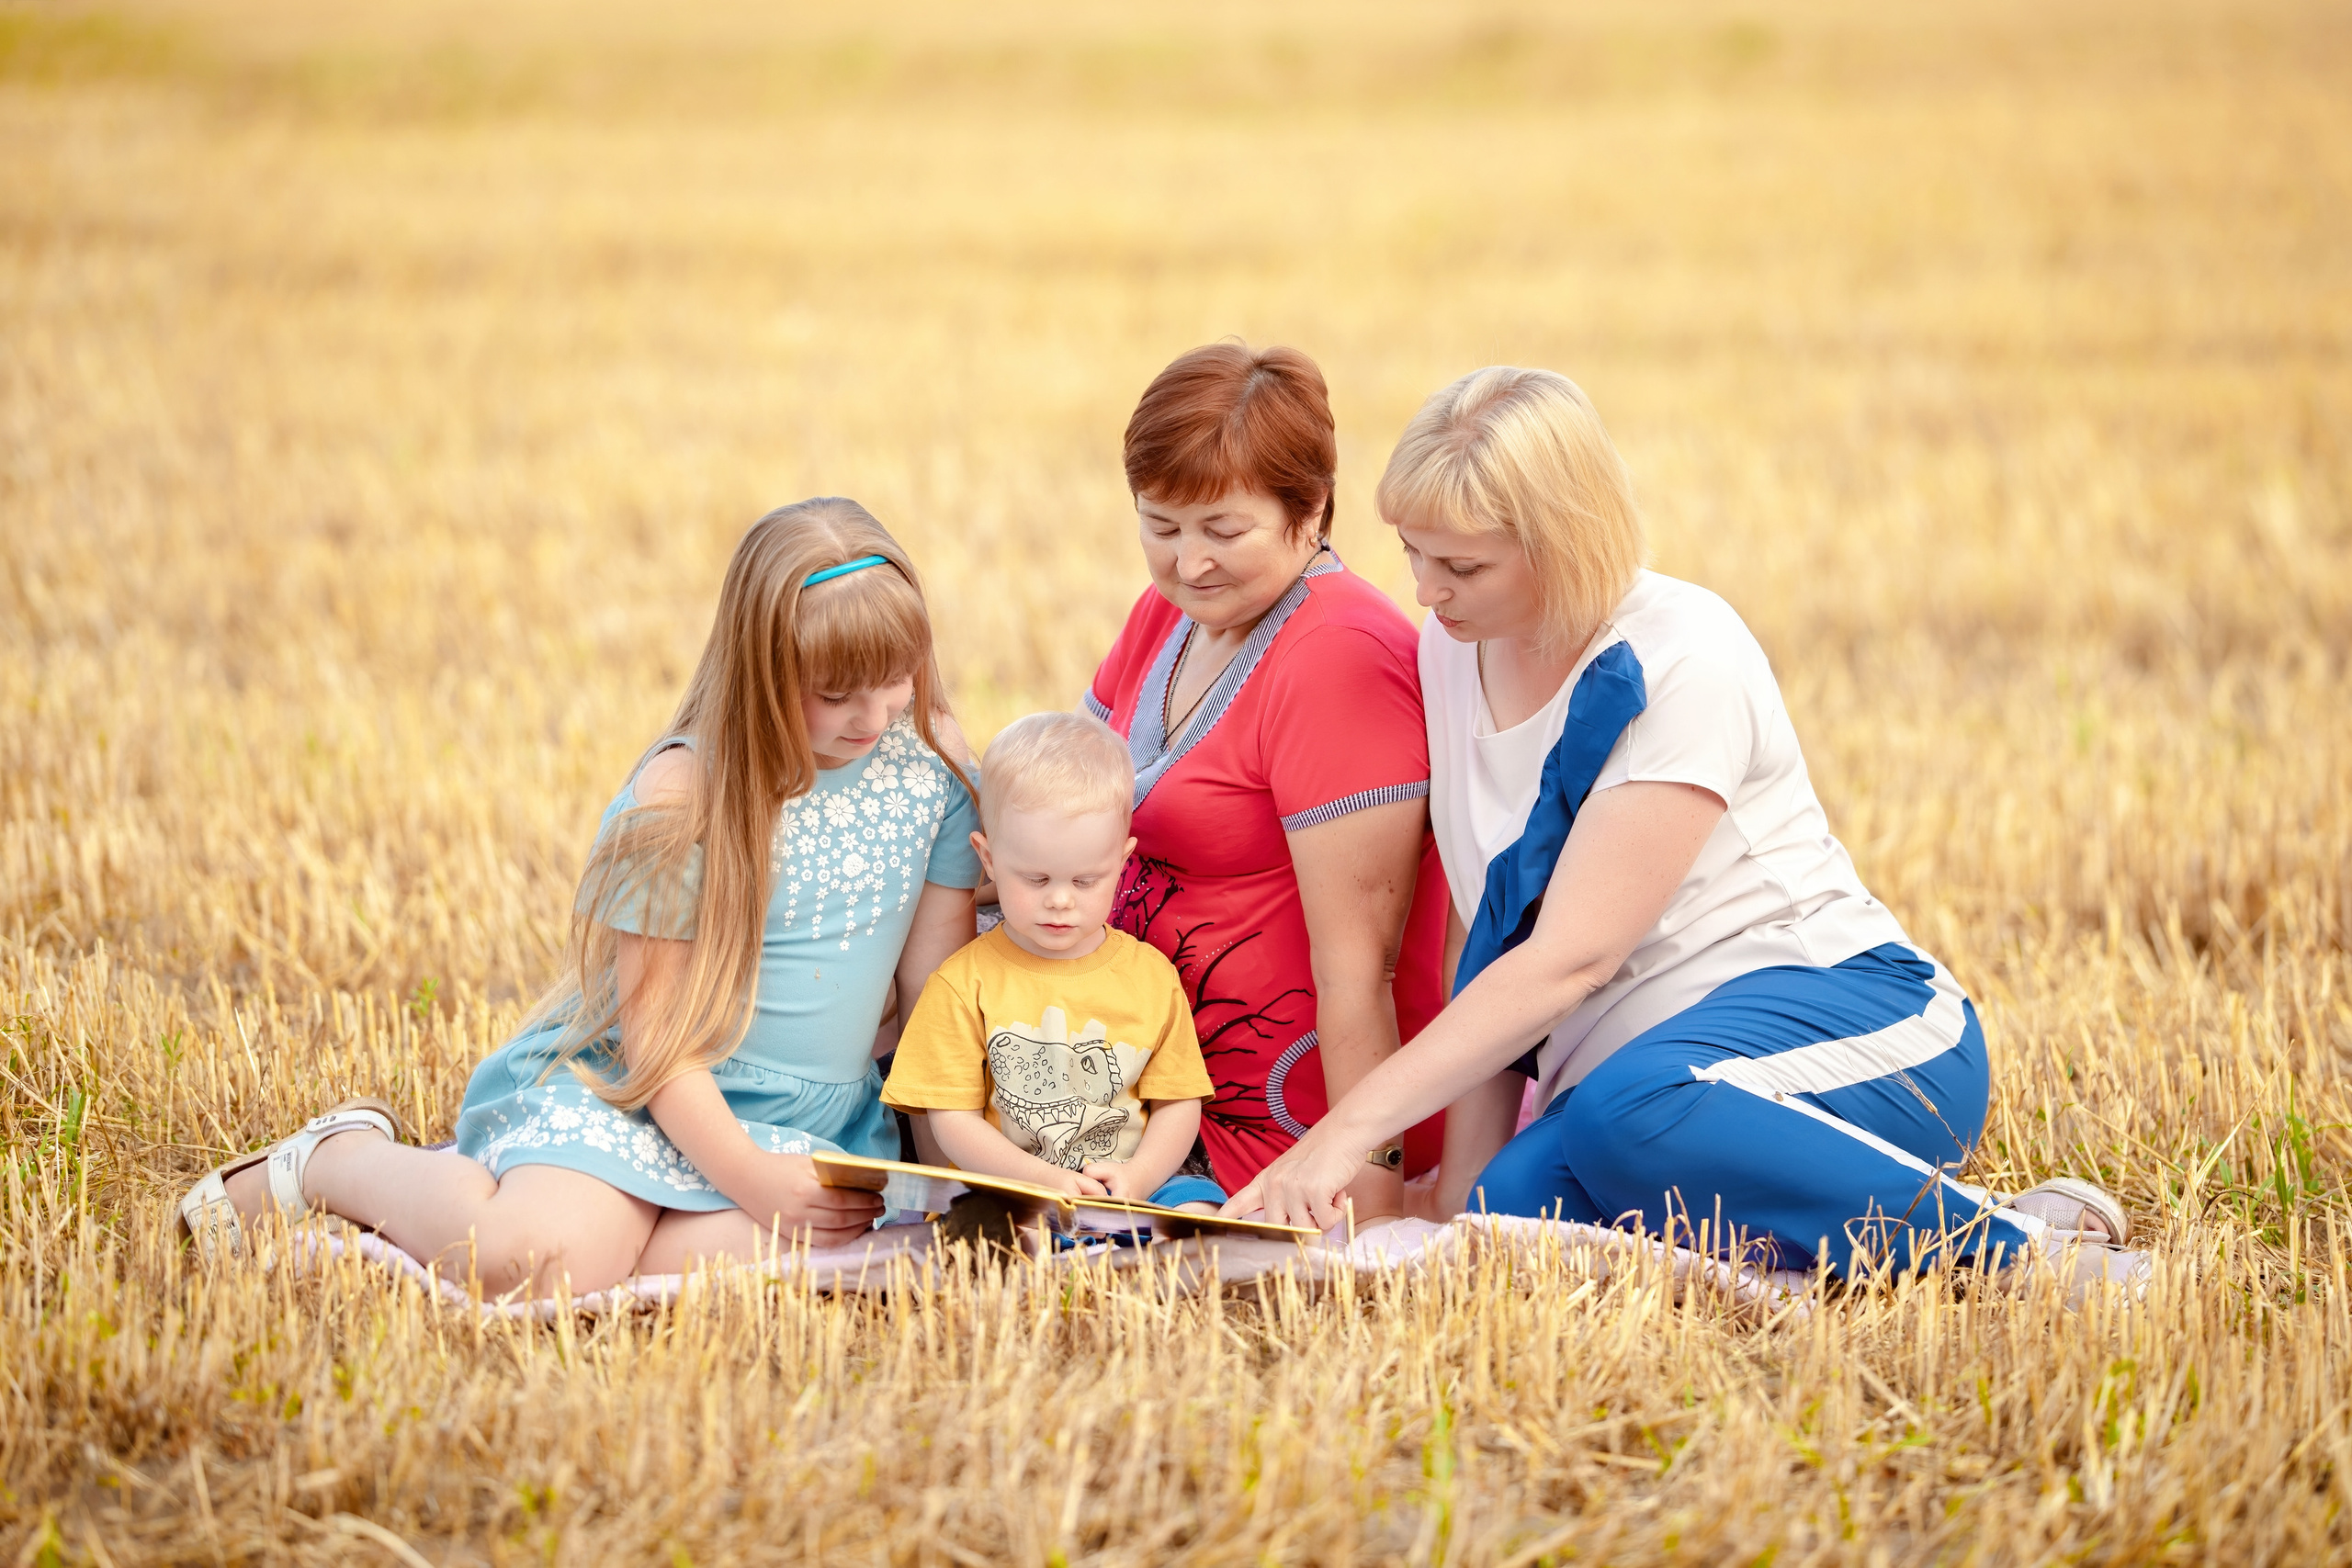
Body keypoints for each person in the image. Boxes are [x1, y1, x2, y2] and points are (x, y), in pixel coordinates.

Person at [1228, 368, 2147, 1293]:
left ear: (1557, 541)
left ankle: (2037, 1265)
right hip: (1645, 1093)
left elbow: (1566, 961)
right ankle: (1928, 1240)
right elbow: (1488, 927)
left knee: (1629, 1113)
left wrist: (1342, 1139)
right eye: (1412, 553)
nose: (1424, 592)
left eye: (1460, 566)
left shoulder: (1684, 656)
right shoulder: (1452, 649)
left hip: (1860, 1027)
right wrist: (1463, 1184)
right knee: (1512, 1216)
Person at [179, 499, 984, 1297]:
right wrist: (750, 1179)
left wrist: (957, 1179)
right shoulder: (682, 796)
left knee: (845, 1248)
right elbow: (660, 1039)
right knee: (529, 1265)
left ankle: (608, 1229)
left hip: (813, 1124)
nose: (875, 715)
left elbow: (931, 1001)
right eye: (838, 693)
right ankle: (342, 1160)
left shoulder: (932, 771)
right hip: (646, 1092)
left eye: (893, 680)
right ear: (764, 667)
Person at [1084, 342, 1453, 1206]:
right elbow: (1058, 792)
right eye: (1160, 525)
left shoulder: (1339, 655)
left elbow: (1363, 963)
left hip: (1275, 1110)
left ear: (1311, 508)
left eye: (1225, 530)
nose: (1189, 562)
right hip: (1148, 1075)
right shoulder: (1166, 614)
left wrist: (1365, 1178)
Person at [881, 711, 1224, 1213]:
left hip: (1137, 1180)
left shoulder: (1151, 976)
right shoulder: (963, 983)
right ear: (989, 859)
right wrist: (1038, 1179)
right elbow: (951, 1117)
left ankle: (1138, 1257)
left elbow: (1178, 1102)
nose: (1060, 900)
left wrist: (1140, 1176)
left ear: (1122, 859)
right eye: (1036, 880)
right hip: (1010, 1184)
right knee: (992, 1234)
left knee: (1198, 1213)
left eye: (1085, 881)